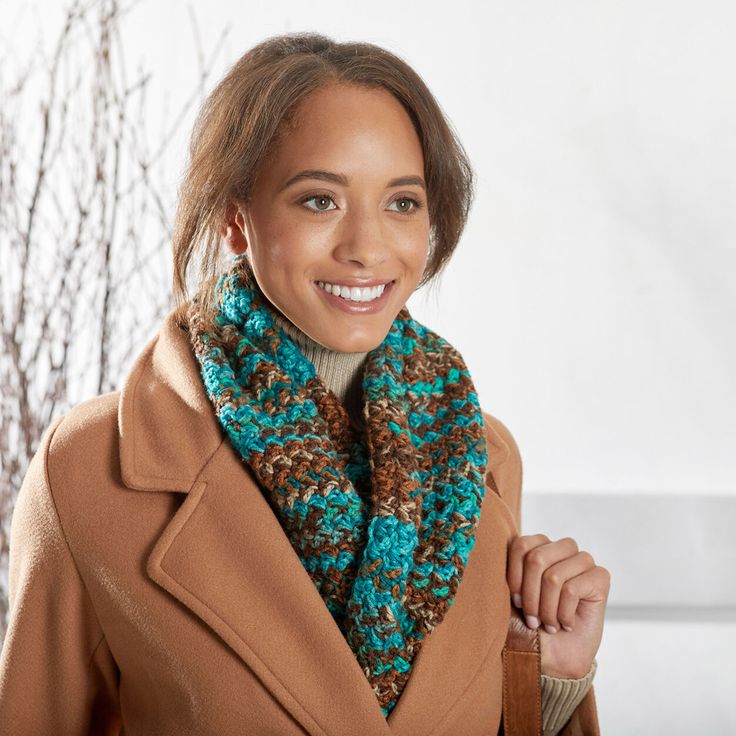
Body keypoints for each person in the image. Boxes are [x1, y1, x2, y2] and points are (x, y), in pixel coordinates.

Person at [0, 32, 610, 735]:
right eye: (319, 201)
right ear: (236, 220)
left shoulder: (478, 455)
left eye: (403, 203)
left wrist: (552, 682)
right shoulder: (89, 472)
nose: (367, 247)